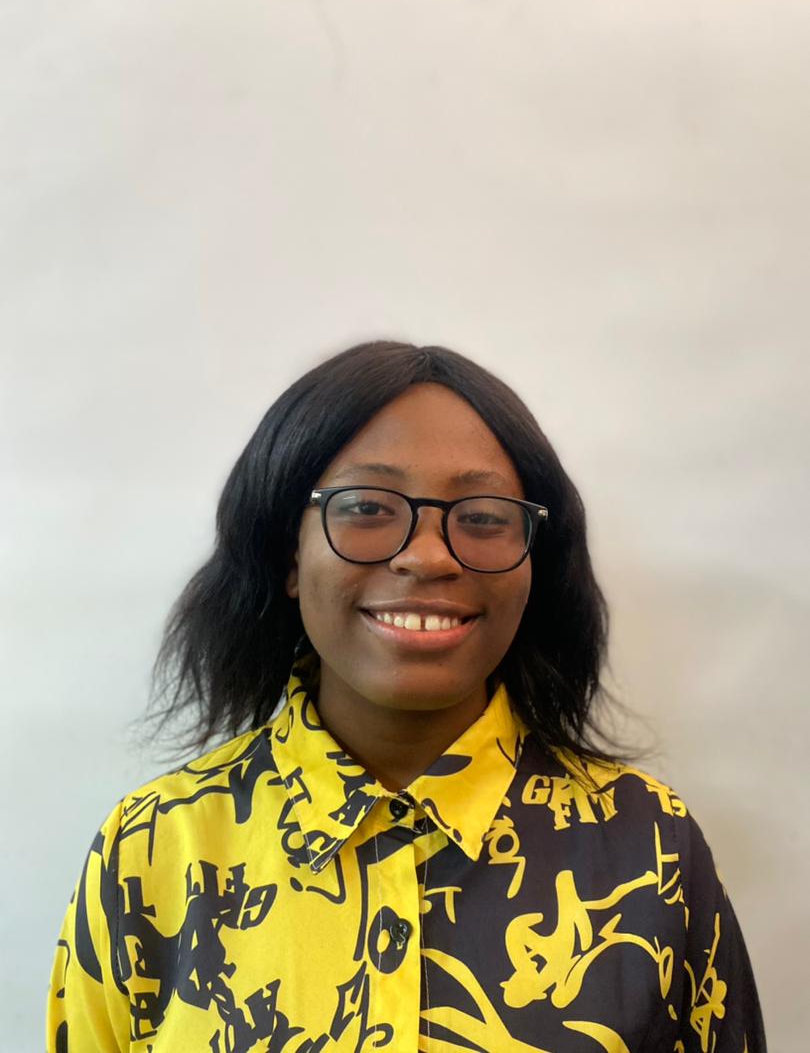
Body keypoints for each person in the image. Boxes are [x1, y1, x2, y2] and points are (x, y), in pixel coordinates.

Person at [46, 340, 767, 1052]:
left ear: (534, 565)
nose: (427, 556)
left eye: (482, 517)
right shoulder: (152, 850)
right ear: (289, 555)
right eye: (367, 507)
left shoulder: (652, 849)